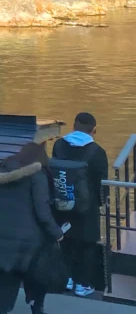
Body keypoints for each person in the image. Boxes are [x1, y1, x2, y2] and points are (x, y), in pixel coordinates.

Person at [0, 142, 63, 314]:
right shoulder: (38, 175)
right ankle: (36, 307)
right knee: (39, 272)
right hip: (28, 239)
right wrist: (57, 232)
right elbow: (42, 211)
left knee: (0, 274)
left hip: (2, 233)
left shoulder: (4, 171)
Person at [53, 112, 109, 298]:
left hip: (63, 202)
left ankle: (66, 279)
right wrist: (102, 203)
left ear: (73, 127)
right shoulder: (98, 152)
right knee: (87, 245)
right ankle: (83, 285)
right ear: (94, 130)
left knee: (65, 241)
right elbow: (102, 183)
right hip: (87, 207)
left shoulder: (59, 145)